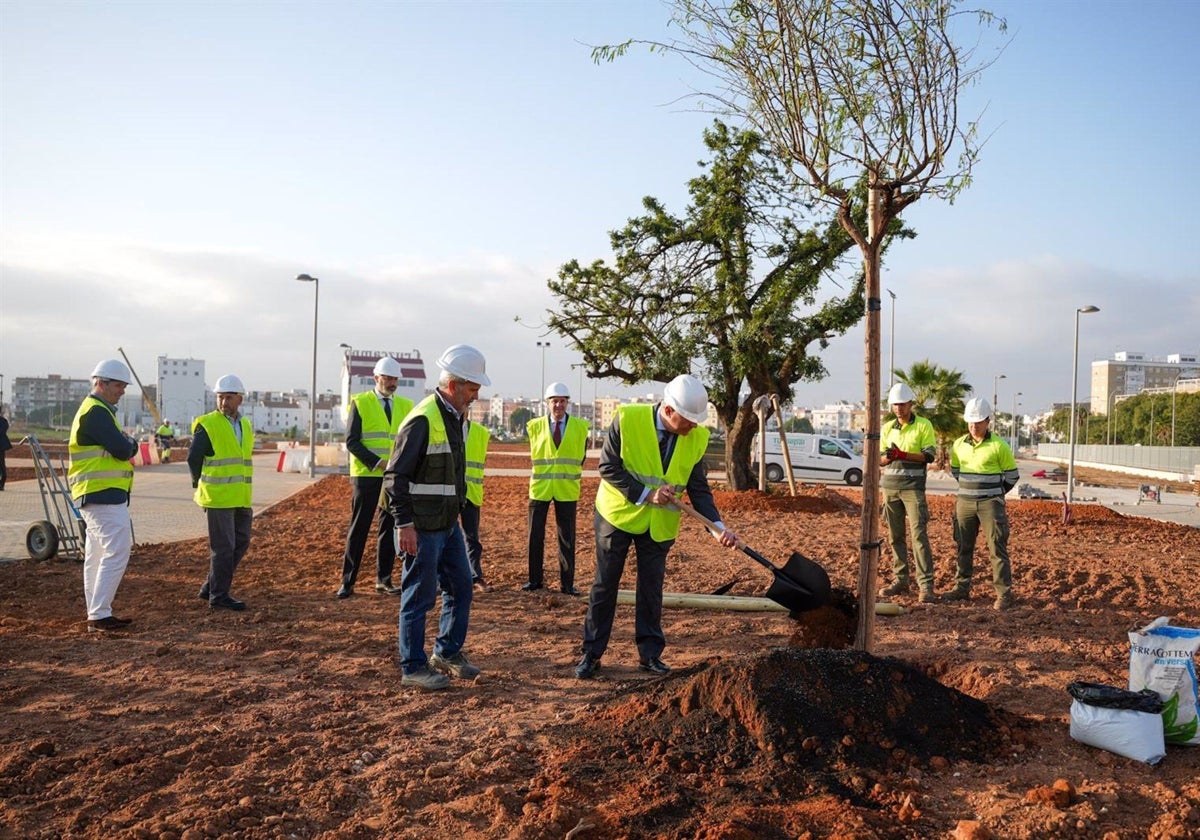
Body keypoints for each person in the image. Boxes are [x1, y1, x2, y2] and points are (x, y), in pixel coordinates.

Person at [575, 374, 738, 680]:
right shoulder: (628, 419)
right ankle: (592, 653)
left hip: (659, 525)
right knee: (605, 584)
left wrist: (716, 526)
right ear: (668, 411)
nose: (693, 427)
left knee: (651, 589)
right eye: (688, 420)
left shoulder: (697, 438)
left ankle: (650, 655)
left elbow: (698, 488)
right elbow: (608, 467)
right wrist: (647, 494)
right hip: (618, 515)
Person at [385, 344, 489, 691]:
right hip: (422, 526)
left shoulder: (456, 416)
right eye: (472, 389)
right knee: (419, 595)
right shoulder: (422, 419)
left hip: (446, 525)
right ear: (453, 385)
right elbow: (395, 477)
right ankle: (413, 666)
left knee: (461, 587)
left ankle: (445, 652)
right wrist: (404, 524)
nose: (475, 396)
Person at [69, 359, 141, 632]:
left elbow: (118, 444)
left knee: (96, 555)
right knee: (117, 550)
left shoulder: (97, 410)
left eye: (123, 386)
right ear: (101, 382)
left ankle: (96, 612)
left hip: (95, 494)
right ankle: (99, 614)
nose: (122, 391)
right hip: (102, 495)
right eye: (118, 385)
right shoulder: (97, 412)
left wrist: (125, 442)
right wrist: (130, 444)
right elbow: (123, 449)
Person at [337, 356, 413, 599]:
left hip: (392, 477)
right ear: (376, 378)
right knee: (359, 528)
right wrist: (377, 463)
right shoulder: (360, 402)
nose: (391, 382)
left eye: (395, 379)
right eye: (387, 378)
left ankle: (384, 580)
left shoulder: (405, 406)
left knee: (388, 527)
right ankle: (348, 582)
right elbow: (352, 442)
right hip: (367, 475)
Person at [188, 374, 254, 612]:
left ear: (240, 399)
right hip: (217, 497)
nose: (224, 402)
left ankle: (210, 587)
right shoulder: (207, 424)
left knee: (242, 542)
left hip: (240, 496)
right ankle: (219, 595)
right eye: (220, 397)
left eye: (229, 397)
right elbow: (193, 458)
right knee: (223, 547)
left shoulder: (245, 425)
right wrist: (199, 484)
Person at [948, 397, 1020, 611]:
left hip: (991, 505)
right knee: (963, 546)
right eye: (970, 422)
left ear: (988, 421)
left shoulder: (999, 446)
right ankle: (961, 587)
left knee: (996, 547)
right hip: (965, 503)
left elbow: (1012, 477)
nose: (974, 426)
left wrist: (994, 494)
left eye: (978, 421)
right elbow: (956, 471)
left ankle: (1004, 594)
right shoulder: (958, 445)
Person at [522, 381, 589, 595]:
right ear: (547, 403)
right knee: (535, 536)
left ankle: (567, 585)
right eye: (554, 401)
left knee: (567, 538)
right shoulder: (534, 426)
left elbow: (582, 457)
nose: (558, 405)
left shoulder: (580, 427)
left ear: (567, 403)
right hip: (540, 489)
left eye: (562, 401)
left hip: (567, 489)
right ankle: (534, 581)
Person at [878, 382, 938, 603]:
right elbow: (881, 460)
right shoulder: (887, 428)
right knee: (895, 537)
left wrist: (903, 454)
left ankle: (926, 586)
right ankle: (900, 580)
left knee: (919, 536)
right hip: (890, 488)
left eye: (902, 404)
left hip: (913, 489)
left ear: (910, 404)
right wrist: (890, 457)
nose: (898, 409)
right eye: (895, 405)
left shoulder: (923, 426)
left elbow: (928, 456)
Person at [461, 419, 491, 592]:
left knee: (471, 537)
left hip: (471, 492)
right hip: (447, 491)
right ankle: (441, 578)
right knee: (442, 537)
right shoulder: (442, 427)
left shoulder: (481, 433)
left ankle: (474, 576)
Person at [0, 406, 11, 491]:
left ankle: (1, 483)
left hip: (1, 446)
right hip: (2, 446)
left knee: (1, 464)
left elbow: (2, 431)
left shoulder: (3, 421)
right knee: (1, 464)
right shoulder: (4, 421)